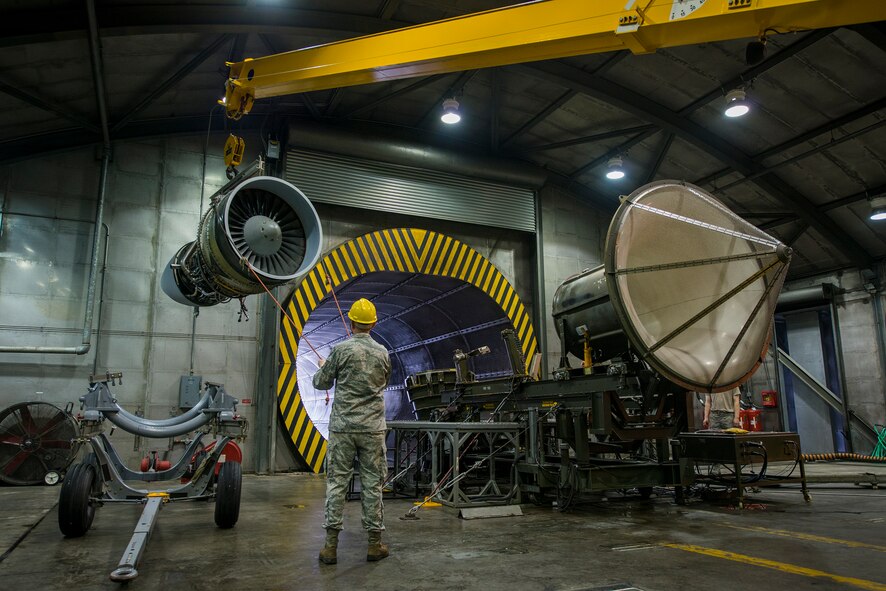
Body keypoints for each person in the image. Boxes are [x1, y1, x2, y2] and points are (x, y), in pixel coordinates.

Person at [313, 297, 392, 565]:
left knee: (337, 483)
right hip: (372, 430)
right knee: (373, 484)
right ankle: (374, 544)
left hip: (343, 429)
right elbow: (384, 380)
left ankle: (330, 547)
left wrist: (324, 367)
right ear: (373, 323)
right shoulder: (383, 352)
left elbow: (320, 382)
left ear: (351, 321)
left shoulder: (341, 350)